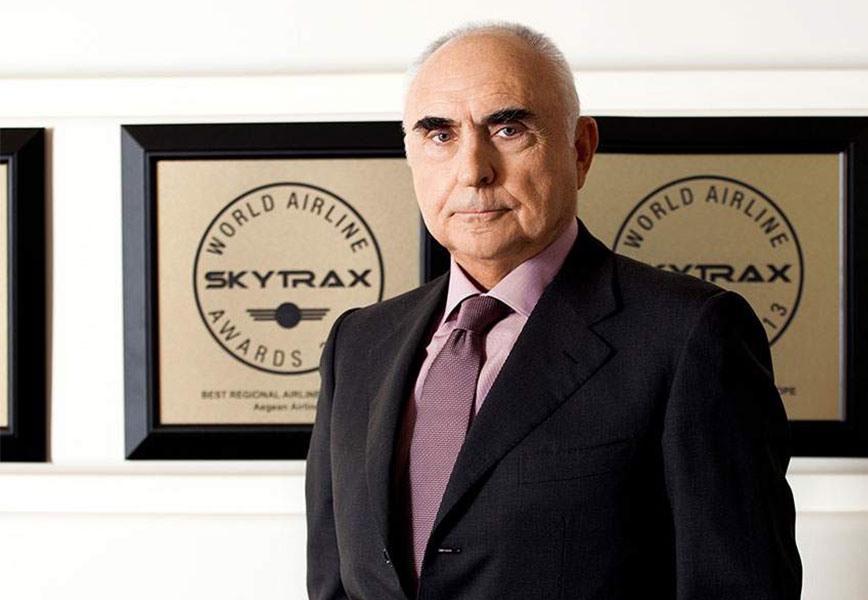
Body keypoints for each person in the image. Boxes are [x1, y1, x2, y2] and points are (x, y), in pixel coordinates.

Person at [306, 21, 802, 600]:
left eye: (509, 129)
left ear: (581, 149)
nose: (472, 170)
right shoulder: (358, 344)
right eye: (440, 135)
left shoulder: (689, 334)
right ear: (411, 154)